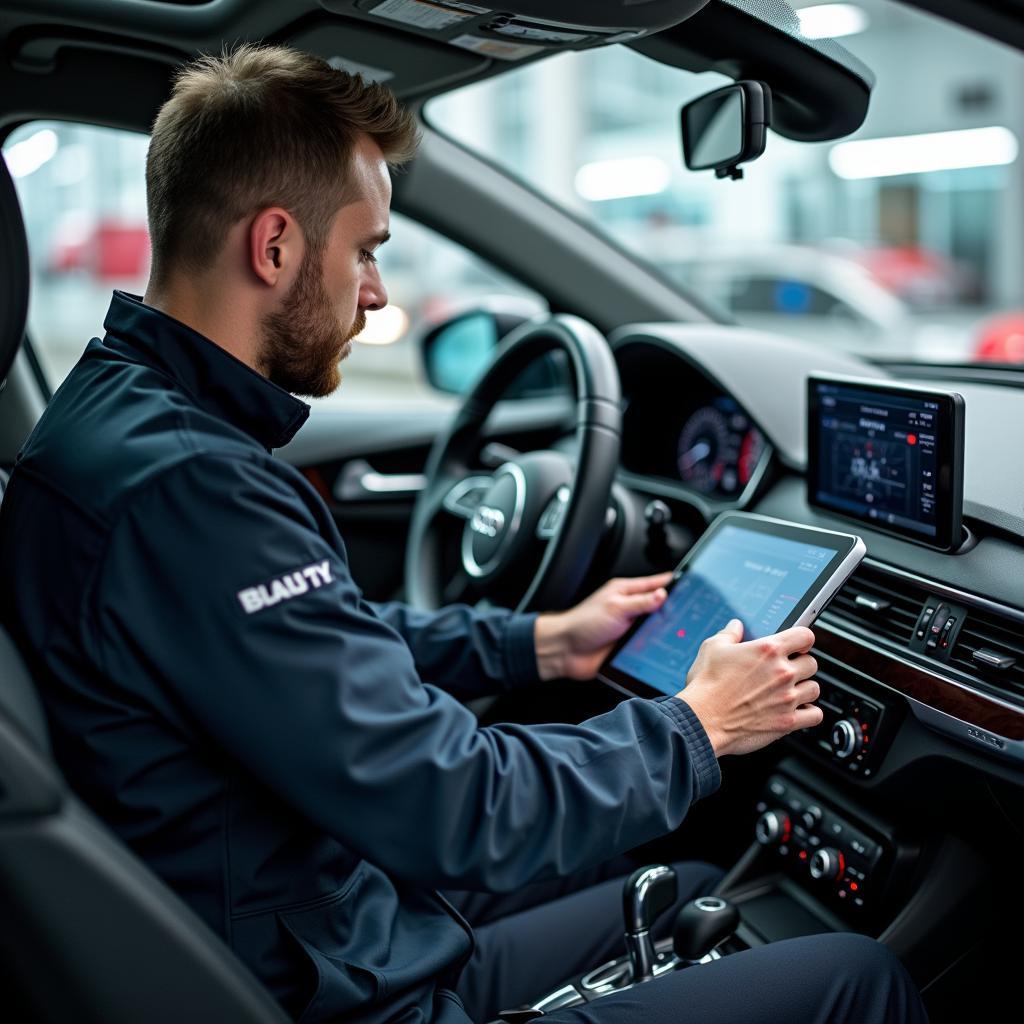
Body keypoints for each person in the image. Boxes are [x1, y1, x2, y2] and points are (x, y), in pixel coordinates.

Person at [0, 45, 927, 1024]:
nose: (377, 293)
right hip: (332, 989)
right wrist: (698, 728)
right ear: (273, 247)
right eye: (366, 251)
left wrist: (535, 641)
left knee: (686, 870)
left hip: (303, 920)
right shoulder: (193, 491)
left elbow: (313, 647)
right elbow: (458, 808)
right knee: (854, 980)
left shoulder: (110, 418)